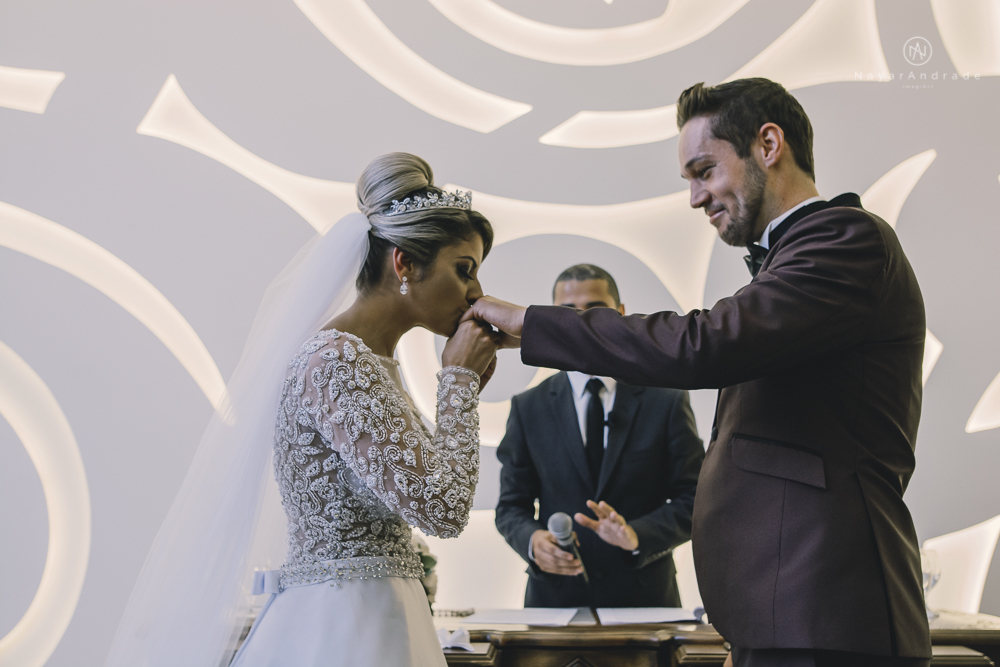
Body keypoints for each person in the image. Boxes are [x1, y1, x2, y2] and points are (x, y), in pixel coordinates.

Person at [468, 79, 931, 667]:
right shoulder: (793, 259)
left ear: (768, 145)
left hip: (826, 609)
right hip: (789, 611)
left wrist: (532, 323)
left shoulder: (844, 239)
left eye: (704, 170)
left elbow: (702, 345)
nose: (694, 197)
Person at [106, 153, 500, 667]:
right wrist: (459, 384)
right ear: (404, 263)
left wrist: (461, 387)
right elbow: (443, 510)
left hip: (382, 613)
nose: (476, 292)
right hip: (345, 625)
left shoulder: (370, 360)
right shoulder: (336, 361)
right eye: (464, 269)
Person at [495, 264, 704, 608]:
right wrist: (533, 542)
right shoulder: (527, 407)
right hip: (553, 603)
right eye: (566, 313)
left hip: (645, 602)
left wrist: (637, 535)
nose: (580, 325)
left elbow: (696, 498)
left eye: (594, 311)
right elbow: (510, 507)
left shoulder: (666, 400)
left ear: (621, 313)